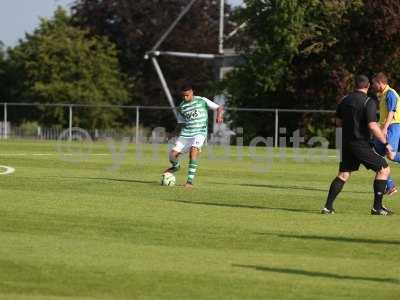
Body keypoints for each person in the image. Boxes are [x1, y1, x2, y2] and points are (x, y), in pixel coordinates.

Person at [322, 75, 393, 215]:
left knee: (343, 175)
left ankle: (327, 207)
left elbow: (337, 122)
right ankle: (377, 208)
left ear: (355, 86)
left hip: (346, 143)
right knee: (384, 169)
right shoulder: (369, 101)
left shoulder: (344, 100)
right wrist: (386, 143)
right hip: (360, 144)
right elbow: (373, 126)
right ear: (367, 87)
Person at [163, 83, 224, 188]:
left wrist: (219, 116)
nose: (185, 98)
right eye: (183, 96)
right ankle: (176, 167)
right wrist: (173, 134)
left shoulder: (202, 100)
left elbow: (219, 108)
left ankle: (189, 181)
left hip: (200, 132)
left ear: (192, 92)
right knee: (172, 155)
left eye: (187, 95)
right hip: (186, 133)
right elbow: (180, 123)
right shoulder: (182, 106)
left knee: (193, 151)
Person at [372, 72, 400, 195]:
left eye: (374, 83)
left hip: (393, 127)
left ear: (380, 83)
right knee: (375, 157)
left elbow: (391, 113)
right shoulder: (383, 94)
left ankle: (390, 185)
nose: (373, 86)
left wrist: (384, 128)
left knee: (391, 155)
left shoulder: (390, 93)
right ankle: (390, 186)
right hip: (387, 127)